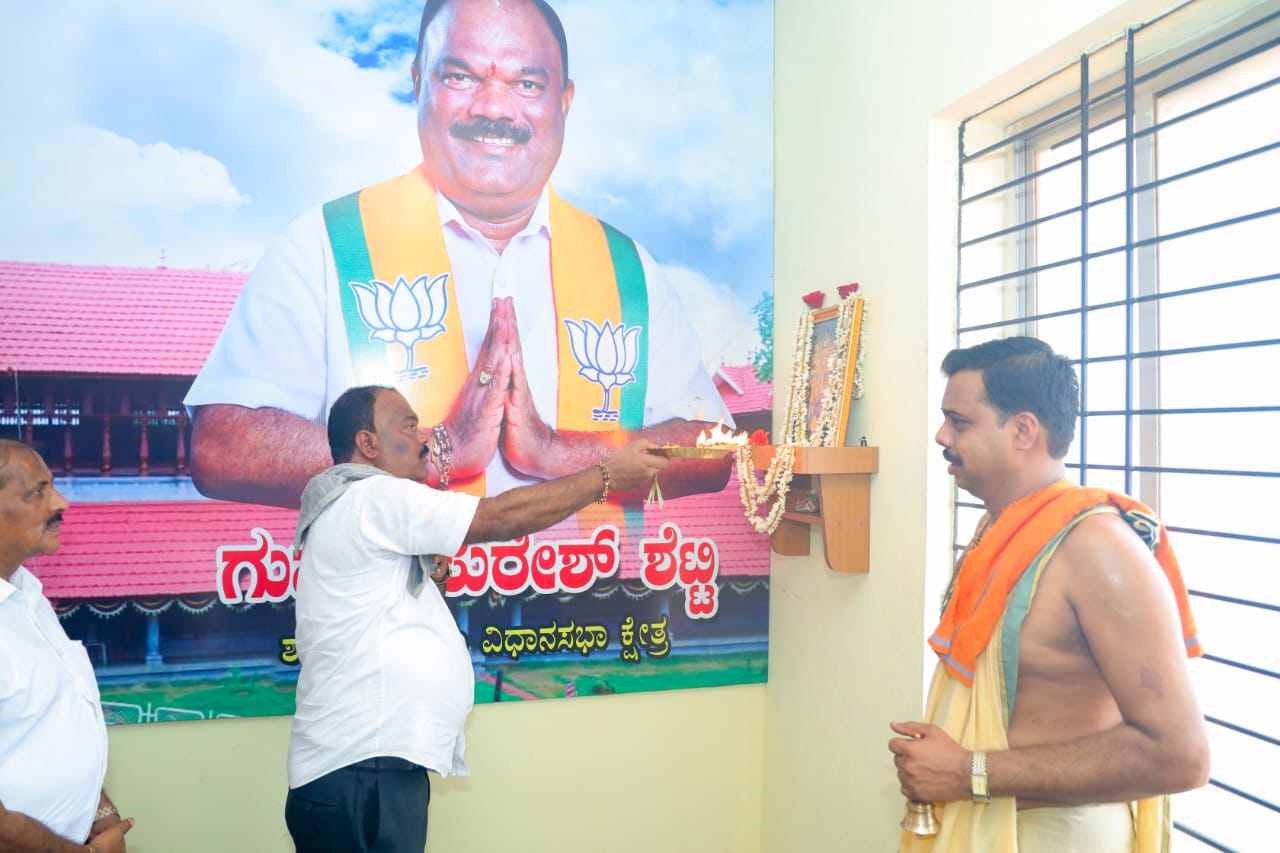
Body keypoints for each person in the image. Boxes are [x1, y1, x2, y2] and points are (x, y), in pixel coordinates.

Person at [184, 0, 731, 510]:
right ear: (418, 82)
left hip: (586, 584)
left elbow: (714, 450)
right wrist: (437, 449)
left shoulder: (628, 269)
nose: (493, 107)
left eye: (527, 83)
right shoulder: (327, 245)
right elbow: (222, 447)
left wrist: (555, 452)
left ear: (564, 102)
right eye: (461, 77)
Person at [283, 384, 667, 852]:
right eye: (408, 425)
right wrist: (608, 475)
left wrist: (434, 579)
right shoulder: (372, 496)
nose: (423, 436)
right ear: (368, 443)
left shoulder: (355, 505)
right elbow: (498, 517)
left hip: (366, 769)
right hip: (362, 772)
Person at [888, 337, 1209, 852]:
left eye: (959, 422)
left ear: (1023, 430)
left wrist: (968, 772)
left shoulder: (1097, 549)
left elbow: (1181, 756)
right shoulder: (999, 528)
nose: (941, 435)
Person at [0, 439, 135, 853]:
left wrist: (99, 811)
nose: (61, 503)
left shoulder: (28, 596)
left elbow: (55, 721)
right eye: (37, 492)